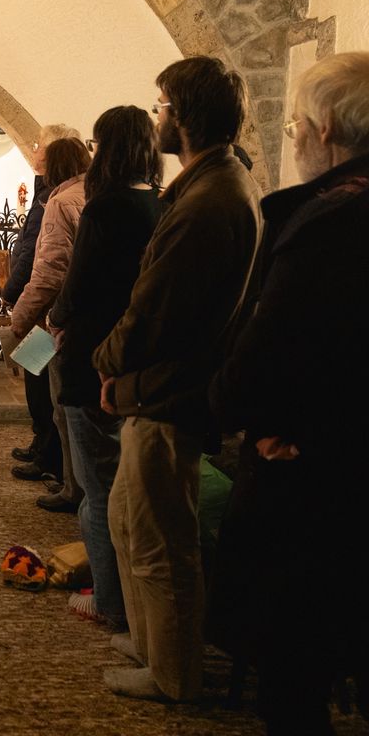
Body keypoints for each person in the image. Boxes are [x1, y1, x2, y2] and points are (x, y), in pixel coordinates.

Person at [210, 51, 369, 735]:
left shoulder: (338, 221)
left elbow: (266, 360)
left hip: (324, 499)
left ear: (326, 129)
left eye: (292, 126)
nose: (293, 139)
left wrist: (261, 419)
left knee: (294, 681)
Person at [92, 56, 261, 702]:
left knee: (162, 539)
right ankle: (151, 642)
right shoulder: (213, 182)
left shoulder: (208, 202)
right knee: (128, 518)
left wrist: (107, 361)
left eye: (160, 105)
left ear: (184, 117)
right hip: (163, 385)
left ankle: (173, 674)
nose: (155, 115)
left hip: (170, 390)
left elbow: (155, 309)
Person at [47, 106, 164, 628]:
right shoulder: (160, 203)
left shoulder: (105, 209)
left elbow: (77, 285)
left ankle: (109, 601)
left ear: (107, 149)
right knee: (122, 484)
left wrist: (55, 319)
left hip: (91, 355)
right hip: (135, 358)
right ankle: (128, 597)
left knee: (96, 492)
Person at [6, 138, 91, 497]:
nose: (37, 166)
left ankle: (50, 459)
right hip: (67, 309)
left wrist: (19, 313)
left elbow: (48, 267)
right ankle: (43, 447)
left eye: (42, 160)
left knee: (44, 390)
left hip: (50, 313)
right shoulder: (88, 192)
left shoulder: (59, 200)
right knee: (39, 381)